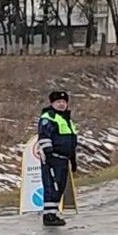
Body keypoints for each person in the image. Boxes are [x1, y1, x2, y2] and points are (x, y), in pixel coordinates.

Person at [38, 89, 79, 226]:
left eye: (63, 102)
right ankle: (48, 215)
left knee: (60, 186)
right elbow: (44, 136)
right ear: (52, 103)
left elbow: (71, 141)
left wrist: (73, 160)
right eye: (58, 102)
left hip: (63, 159)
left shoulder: (66, 120)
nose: (61, 104)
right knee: (52, 186)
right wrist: (48, 153)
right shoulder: (48, 117)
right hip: (52, 158)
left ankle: (53, 213)